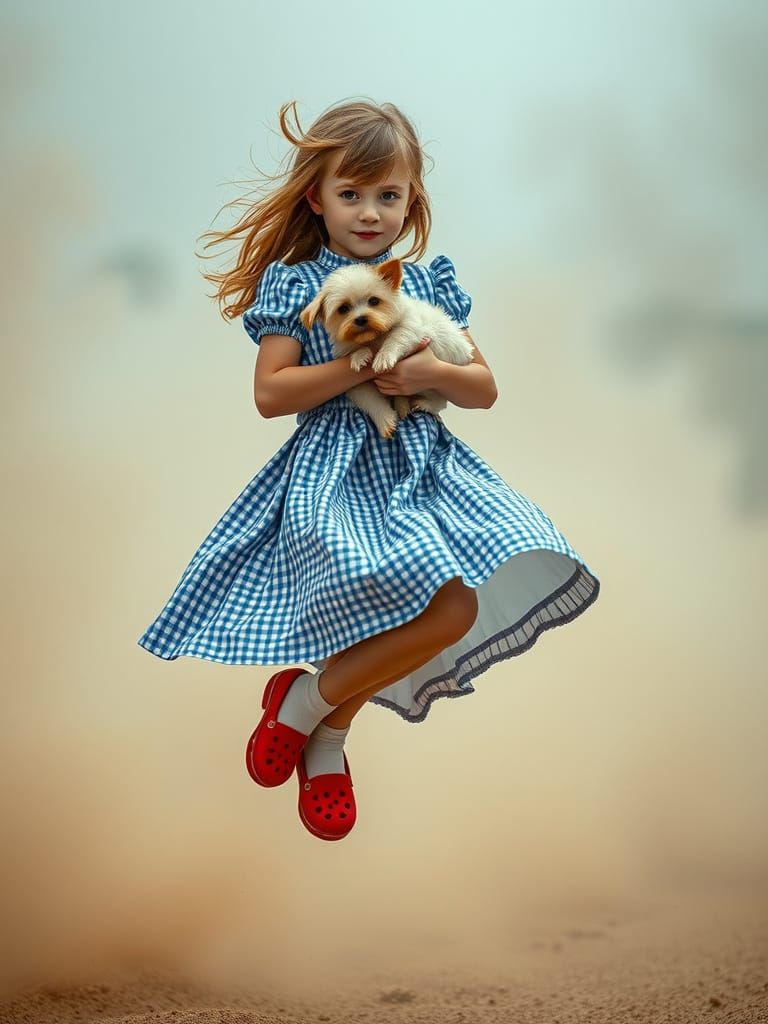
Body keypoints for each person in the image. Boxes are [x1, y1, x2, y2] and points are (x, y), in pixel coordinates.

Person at [137, 98, 601, 842]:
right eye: (350, 194)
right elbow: (269, 393)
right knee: (392, 612)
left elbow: (481, 387)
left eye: (388, 195)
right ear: (315, 197)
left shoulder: (425, 283)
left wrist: (424, 368)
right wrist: (352, 364)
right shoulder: (299, 283)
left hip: (424, 469)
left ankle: (309, 711)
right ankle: (323, 733)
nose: (369, 211)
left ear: (410, 201)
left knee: (452, 611)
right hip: (335, 477)